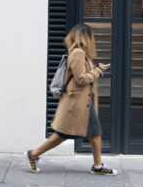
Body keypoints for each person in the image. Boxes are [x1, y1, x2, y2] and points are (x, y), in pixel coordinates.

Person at [25, 24, 116, 175]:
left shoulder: (81, 53)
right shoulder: (78, 54)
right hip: (77, 102)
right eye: (90, 36)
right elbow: (81, 79)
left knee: (92, 132)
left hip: (82, 102)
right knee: (66, 134)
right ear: (85, 37)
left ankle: (98, 165)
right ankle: (33, 154)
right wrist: (98, 70)